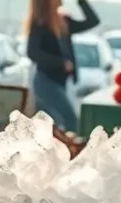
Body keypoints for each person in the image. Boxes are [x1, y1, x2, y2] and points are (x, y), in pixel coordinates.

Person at [24, 0, 99, 133]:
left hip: (60, 82)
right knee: (69, 121)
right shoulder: (40, 24)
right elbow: (33, 52)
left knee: (54, 125)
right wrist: (61, 62)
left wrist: (81, 2)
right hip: (46, 81)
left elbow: (92, 21)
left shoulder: (63, 21)